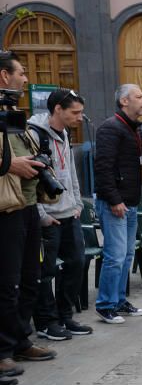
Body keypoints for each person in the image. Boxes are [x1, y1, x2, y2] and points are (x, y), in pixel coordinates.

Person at [0, 51, 52, 385]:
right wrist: (8, 165)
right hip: (6, 207)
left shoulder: (11, 112)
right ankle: (3, 350)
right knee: (7, 282)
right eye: (21, 73)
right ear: (4, 75)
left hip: (29, 204)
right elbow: (7, 159)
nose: (25, 79)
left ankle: (19, 340)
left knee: (30, 276)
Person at [28, 89, 92, 340]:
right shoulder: (34, 134)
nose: (80, 118)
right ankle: (46, 322)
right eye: (75, 112)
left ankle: (66, 316)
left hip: (69, 213)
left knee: (76, 263)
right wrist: (41, 213)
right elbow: (32, 181)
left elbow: (71, 173)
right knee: (45, 272)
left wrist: (77, 204)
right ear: (58, 110)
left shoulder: (65, 133)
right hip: (48, 217)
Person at [93, 84, 142, 324]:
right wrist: (114, 199)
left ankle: (118, 300)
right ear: (124, 101)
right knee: (114, 256)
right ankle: (105, 305)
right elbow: (103, 167)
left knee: (126, 255)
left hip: (131, 202)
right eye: (139, 96)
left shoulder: (132, 128)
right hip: (115, 203)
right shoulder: (110, 128)